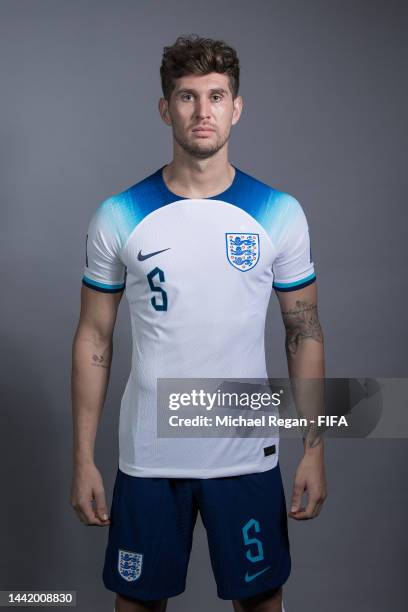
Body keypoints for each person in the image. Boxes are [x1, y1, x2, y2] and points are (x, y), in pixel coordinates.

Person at [70, 34, 327, 612]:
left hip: (246, 455)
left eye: (216, 97)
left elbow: (303, 333)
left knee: (261, 601)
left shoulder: (279, 213)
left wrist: (313, 448)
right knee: (137, 604)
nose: (202, 112)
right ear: (166, 109)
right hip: (147, 456)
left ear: (237, 107)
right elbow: (94, 337)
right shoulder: (119, 214)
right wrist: (84, 457)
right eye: (187, 97)